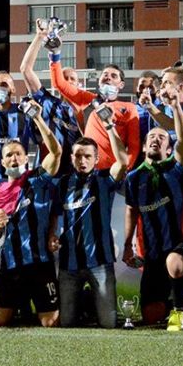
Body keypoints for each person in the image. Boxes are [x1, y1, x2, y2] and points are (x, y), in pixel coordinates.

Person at [0, 101, 62, 327]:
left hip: (40, 264)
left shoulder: (38, 179)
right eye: (9, 155)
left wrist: (37, 118)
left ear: (26, 158)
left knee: (50, 323)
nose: (14, 158)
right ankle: (22, 307)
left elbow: (56, 152)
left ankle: (30, 307)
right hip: (10, 266)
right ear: (2, 162)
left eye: (18, 154)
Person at [122, 111, 183, 327]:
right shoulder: (134, 178)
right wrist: (127, 246)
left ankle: (179, 311)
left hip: (181, 245)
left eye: (162, 137)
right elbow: (131, 211)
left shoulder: (177, 169)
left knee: (174, 263)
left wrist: (175, 106)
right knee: (151, 316)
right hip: (153, 253)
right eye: (152, 137)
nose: (156, 139)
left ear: (169, 149)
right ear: (144, 147)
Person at [53, 126, 129, 328]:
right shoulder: (62, 183)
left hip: (100, 262)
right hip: (69, 264)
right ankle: (87, 301)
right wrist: (52, 234)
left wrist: (110, 127)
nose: (82, 160)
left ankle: (90, 302)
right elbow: (53, 214)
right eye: (78, 156)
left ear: (96, 159)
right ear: (71, 158)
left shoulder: (104, 180)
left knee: (108, 324)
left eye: (87, 156)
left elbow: (123, 162)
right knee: (67, 323)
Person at [49, 42, 139, 172]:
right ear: (99, 80)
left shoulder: (129, 108)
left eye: (114, 76)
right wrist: (55, 54)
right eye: (105, 74)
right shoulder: (87, 99)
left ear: (121, 85)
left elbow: (134, 145)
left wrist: (125, 168)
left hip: (114, 172)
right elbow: (59, 84)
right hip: (88, 170)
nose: (108, 78)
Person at [19, 24, 83, 177]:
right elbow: (25, 70)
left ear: (79, 85)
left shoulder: (87, 111)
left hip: (76, 176)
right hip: (48, 174)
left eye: (72, 79)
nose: (68, 81)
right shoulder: (48, 102)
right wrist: (40, 36)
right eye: (64, 78)